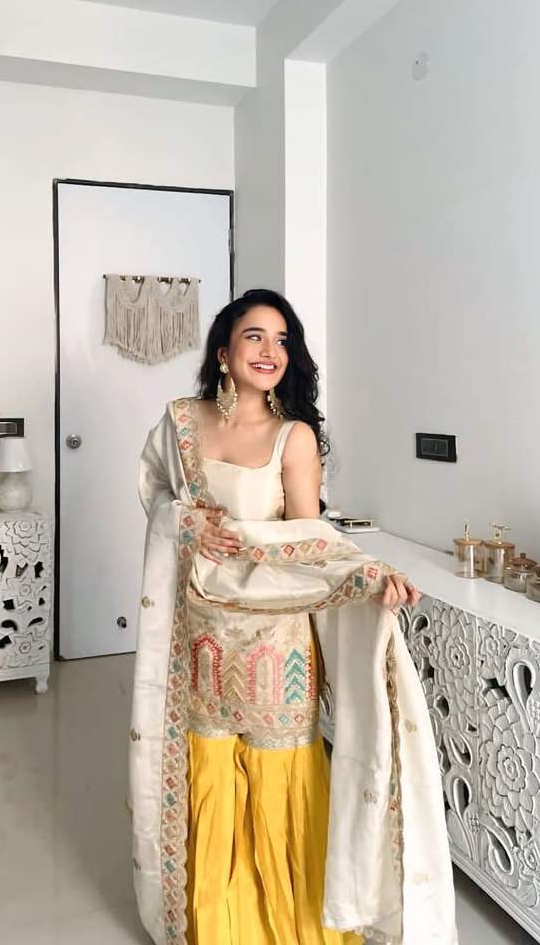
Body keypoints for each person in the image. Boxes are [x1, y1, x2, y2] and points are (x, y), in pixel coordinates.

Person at [129, 290, 459, 945]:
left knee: (279, 774)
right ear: (223, 353)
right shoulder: (180, 424)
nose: (270, 351)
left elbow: (310, 542)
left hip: (276, 645)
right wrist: (186, 521)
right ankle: (213, 926)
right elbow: (155, 493)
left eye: (282, 340)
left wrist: (369, 574)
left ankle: (288, 928)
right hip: (201, 639)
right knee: (209, 766)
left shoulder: (293, 436)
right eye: (254, 336)